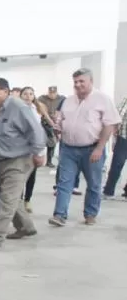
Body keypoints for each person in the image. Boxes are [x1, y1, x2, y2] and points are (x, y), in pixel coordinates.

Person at [0, 78, 46, 249]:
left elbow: (36, 130)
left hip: (20, 159)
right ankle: (26, 227)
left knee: (7, 199)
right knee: (9, 197)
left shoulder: (18, 108)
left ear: (6, 91)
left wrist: (39, 152)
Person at [49, 68, 121, 226]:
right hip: (68, 148)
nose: (78, 84)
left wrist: (99, 148)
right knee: (64, 183)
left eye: (82, 81)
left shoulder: (102, 99)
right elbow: (61, 120)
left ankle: (90, 213)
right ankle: (59, 215)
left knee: (94, 183)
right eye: (75, 82)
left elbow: (110, 125)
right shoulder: (68, 100)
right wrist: (58, 127)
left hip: (92, 149)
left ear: (91, 81)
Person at [19, 87, 55, 212]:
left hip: (34, 146)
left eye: (31, 94)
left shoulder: (37, 109)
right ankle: (18, 200)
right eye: (25, 94)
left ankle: (27, 200)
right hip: (20, 146)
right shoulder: (16, 109)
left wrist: (41, 150)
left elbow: (42, 127)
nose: (28, 96)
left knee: (31, 175)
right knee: (19, 175)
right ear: (21, 96)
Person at [102, 97, 127, 201]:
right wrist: (115, 134)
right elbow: (119, 114)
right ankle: (109, 191)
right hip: (124, 137)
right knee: (117, 164)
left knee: (117, 164)